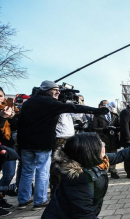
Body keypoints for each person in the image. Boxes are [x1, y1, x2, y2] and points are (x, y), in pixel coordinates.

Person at [17, 80, 107, 210]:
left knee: (27, 171)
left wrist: (20, 143)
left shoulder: (28, 102)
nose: (58, 92)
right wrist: (96, 110)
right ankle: (40, 200)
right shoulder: (50, 102)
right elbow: (73, 108)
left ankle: (23, 200)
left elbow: (20, 123)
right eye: (56, 90)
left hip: (26, 143)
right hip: (43, 142)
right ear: (48, 90)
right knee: (42, 170)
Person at [0, 87, 18, 216]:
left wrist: (11, 118)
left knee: (9, 174)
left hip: (8, 146)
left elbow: (16, 127)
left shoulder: (10, 108)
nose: (0, 98)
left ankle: (1, 197)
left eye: (1, 95)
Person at [93, 100, 121, 179]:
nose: (107, 106)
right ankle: (103, 172)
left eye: (108, 105)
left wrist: (115, 129)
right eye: (105, 105)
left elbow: (119, 126)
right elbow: (94, 128)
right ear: (101, 106)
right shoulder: (97, 115)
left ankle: (113, 171)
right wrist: (105, 129)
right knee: (103, 156)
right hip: (103, 139)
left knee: (113, 155)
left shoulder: (114, 115)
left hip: (113, 139)